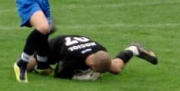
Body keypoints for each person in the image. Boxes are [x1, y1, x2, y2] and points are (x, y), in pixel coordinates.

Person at [26, 34, 158, 80]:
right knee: (31, 65)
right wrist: (82, 76)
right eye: (96, 71)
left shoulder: (101, 52)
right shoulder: (72, 58)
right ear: (92, 66)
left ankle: (133, 49)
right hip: (57, 45)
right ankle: (24, 57)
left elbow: (105, 63)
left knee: (116, 69)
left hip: (80, 42)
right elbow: (59, 73)